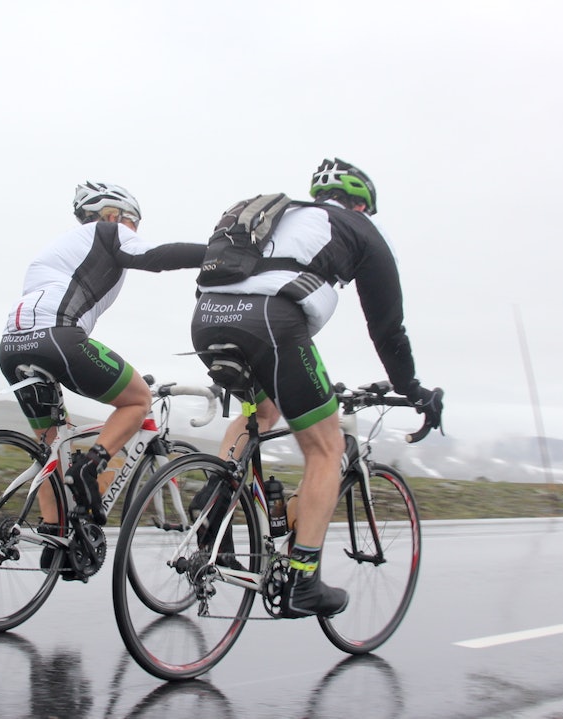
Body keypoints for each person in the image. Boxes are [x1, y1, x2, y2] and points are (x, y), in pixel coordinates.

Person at [191, 157, 444, 618]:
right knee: (327, 447)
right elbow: (388, 329)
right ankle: (301, 582)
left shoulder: (283, 217)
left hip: (207, 317)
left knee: (260, 413)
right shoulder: (362, 230)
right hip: (272, 323)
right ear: (362, 205)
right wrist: (412, 389)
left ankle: (216, 493)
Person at [0, 181, 205, 531]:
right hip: (57, 337)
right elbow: (154, 257)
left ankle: (55, 535)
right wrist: (217, 254)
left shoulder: (60, 248)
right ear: (113, 214)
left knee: (50, 447)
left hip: (12, 345)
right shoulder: (108, 231)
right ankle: (91, 466)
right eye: (134, 223)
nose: (134, 232)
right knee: (138, 400)